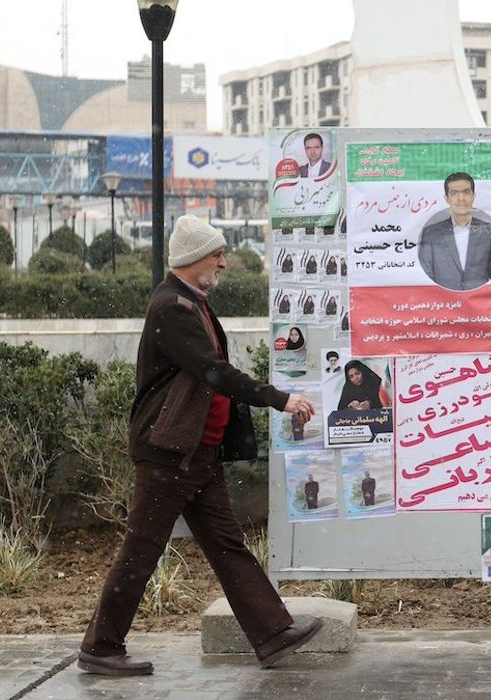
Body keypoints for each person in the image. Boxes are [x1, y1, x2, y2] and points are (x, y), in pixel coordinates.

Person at [80, 215, 322, 676]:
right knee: (141, 550)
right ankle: (101, 647)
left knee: (228, 545)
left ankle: (272, 633)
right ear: (193, 259)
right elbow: (214, 372)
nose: (224, 263)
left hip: (198, 454)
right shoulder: (173, 307)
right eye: (217, 255)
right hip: (170, 454)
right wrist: (280, 398)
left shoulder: (193, 302)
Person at [417, 172, 491, 292]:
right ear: (447, 198)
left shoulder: (490, 231)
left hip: (480, 303)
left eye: (466, 192)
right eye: (454, 193)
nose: (461, 198)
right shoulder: (431, 233)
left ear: (473, 196)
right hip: (443, 301)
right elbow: (425, 274)